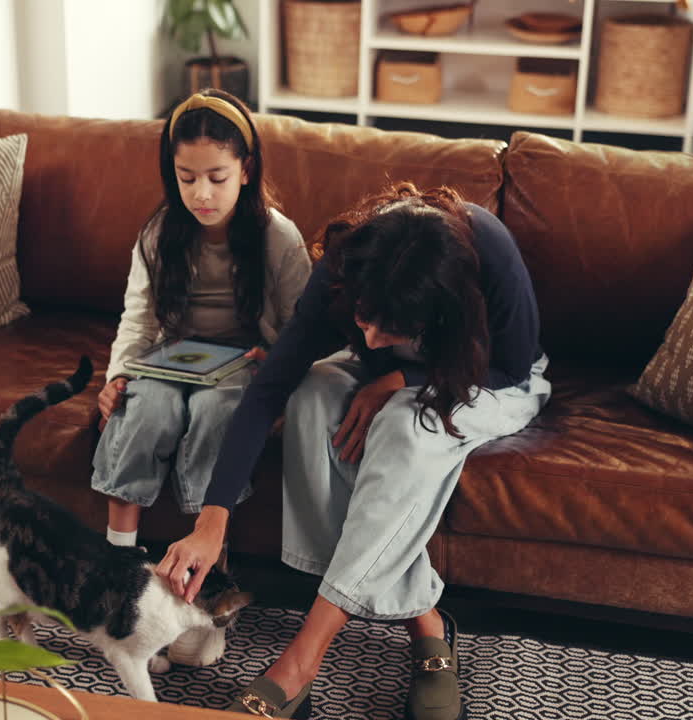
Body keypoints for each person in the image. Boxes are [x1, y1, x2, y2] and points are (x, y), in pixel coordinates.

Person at [157, 183, 551, 718]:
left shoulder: (489, 254)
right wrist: (212, 518)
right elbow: (270, 387)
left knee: (404, 423)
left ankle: (300, 661)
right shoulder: (348, 264)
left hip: (491, 377)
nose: (369, 338)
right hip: (403, 370)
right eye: (364, 320)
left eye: (393, 330)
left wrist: (400, 376)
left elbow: (512, 362)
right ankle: (428, 624)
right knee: (314, 392)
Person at [92, 88, 311, 662]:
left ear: (247, 168)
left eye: (216, 176)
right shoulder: (160, 232)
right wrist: (118, 375)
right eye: (187, 178)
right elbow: (137, 316)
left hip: (245, 368)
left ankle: (201, 586)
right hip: (171, 359)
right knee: (147, 406)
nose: (202, 193)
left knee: (220, 412)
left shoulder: (277, 237)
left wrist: (278, 363)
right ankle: (120, 569)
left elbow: (305, 329)